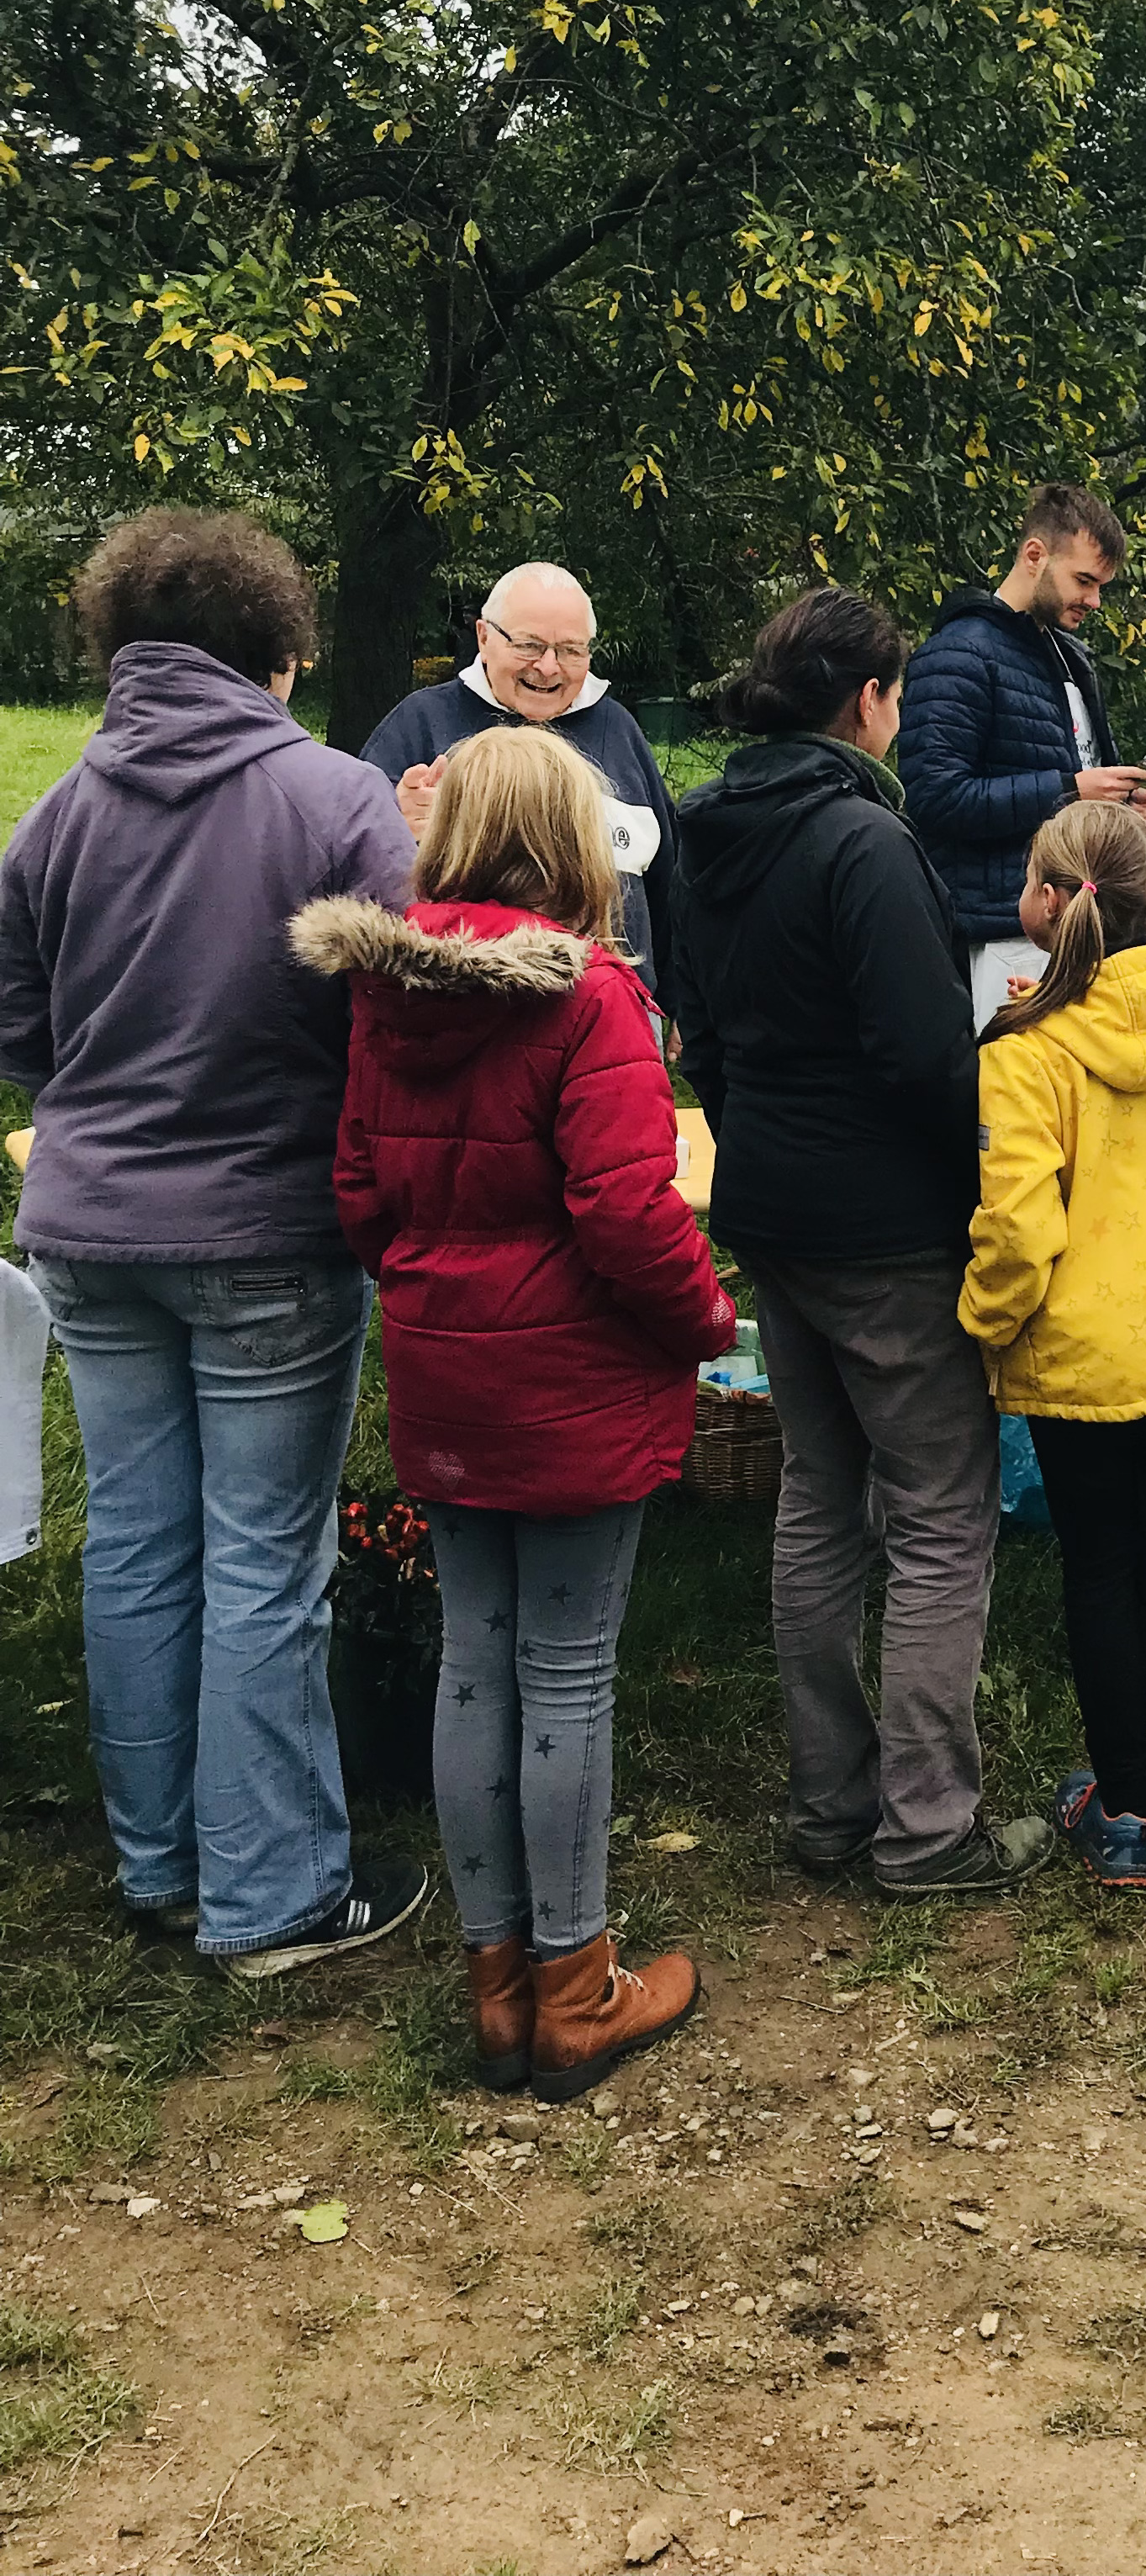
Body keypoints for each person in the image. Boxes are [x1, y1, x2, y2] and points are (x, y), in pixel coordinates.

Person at [0, 510, 425, 1974]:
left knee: (136, 1540)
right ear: (280, 654)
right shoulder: (336, 798)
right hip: (264, 1234)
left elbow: (19, 1028)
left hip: (88, 1227)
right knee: (261, 1559)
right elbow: (401, 1018)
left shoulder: (53, 811)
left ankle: (162, 1864)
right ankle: (271, 1898)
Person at [294, 727, 733, 2097]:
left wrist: (429, 1280)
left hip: (442, 1361)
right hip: (573, 1375)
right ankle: (575, 1986)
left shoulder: (383, 990)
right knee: (564, 1671)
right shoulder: (589, 994)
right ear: (564, 839)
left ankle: (498, 1989)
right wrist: (705, 1320)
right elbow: (624, 1206)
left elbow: (358, 1192)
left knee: (471, 1660)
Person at [670, 589, 1053, 1897]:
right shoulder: (862, 843)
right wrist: (979, 1188)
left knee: (821, 1498)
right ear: (870, 703)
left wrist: (768, 1141)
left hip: (772, 1211)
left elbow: (703, 1038)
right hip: (887, 1231)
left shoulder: (703, 832)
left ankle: (830, 1802)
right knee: (943, 1517)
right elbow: (923, 1058)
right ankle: (928, 1825)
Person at [961, 801, 1146, 1897]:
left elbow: (1020, 1230)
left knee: (1102, 1570)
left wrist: (979, 1325)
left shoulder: (1028, 1047)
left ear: (1049, 905)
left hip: (1080, 1360)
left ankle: (1123, 1811)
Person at [898, 484, 1146, 1027]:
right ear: (1035, 555)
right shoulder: (958, 654)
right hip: (998, 938)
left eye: (1101, 586)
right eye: (1084, 580)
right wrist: (1072, 789)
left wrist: (1127, 808)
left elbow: (1074, 780)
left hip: (1076, 934)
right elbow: (934, 798)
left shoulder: (1070, 658)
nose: (1095, 601)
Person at [358, 563, 681, 995]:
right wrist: (395, 821)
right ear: (483, 638)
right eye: (530, 645)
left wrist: (679, 993)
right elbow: (354, 870)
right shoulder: (420, 725)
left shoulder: (618, 730)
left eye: (570, 650)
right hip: (467, 1008)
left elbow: (668, 877)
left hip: (617, 1006)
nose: (548, 668)